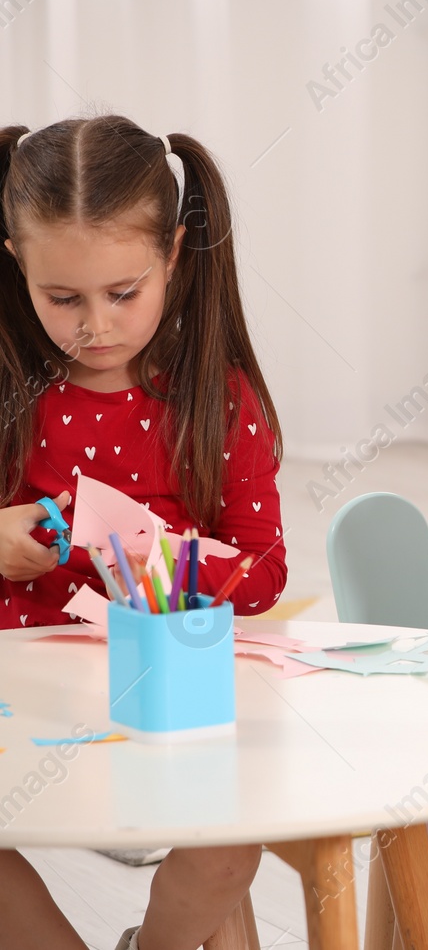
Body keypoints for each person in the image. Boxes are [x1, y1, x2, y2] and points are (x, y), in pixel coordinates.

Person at [0, 117, 285, 950]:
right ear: (17, 264)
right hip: (25, 702)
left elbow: (263, 570)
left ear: (172, 256)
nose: (95, 324)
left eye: (122, 293)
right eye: (63, 298)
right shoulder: (13, 387)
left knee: (229, 848)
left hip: (172, 701)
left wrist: (159, 550)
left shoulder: (216, 397)